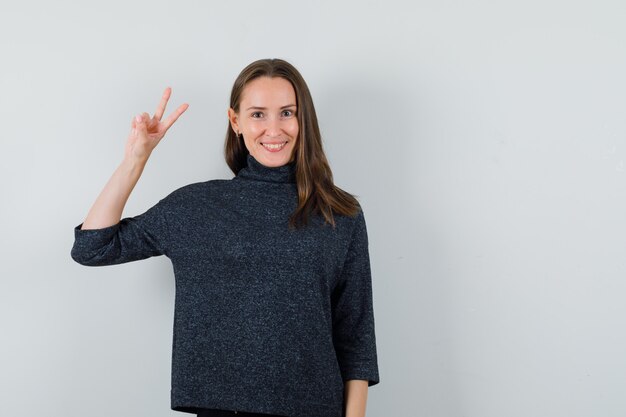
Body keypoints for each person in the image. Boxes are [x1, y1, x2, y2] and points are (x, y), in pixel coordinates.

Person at [71, 58, 380, 417]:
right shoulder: (197, 206)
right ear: (236, 121)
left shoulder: (340, 213)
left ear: (303, 120)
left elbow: (356, 337)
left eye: (287, 113)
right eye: (258, 114)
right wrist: (135, 161)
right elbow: (92, 247)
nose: (274, 129)